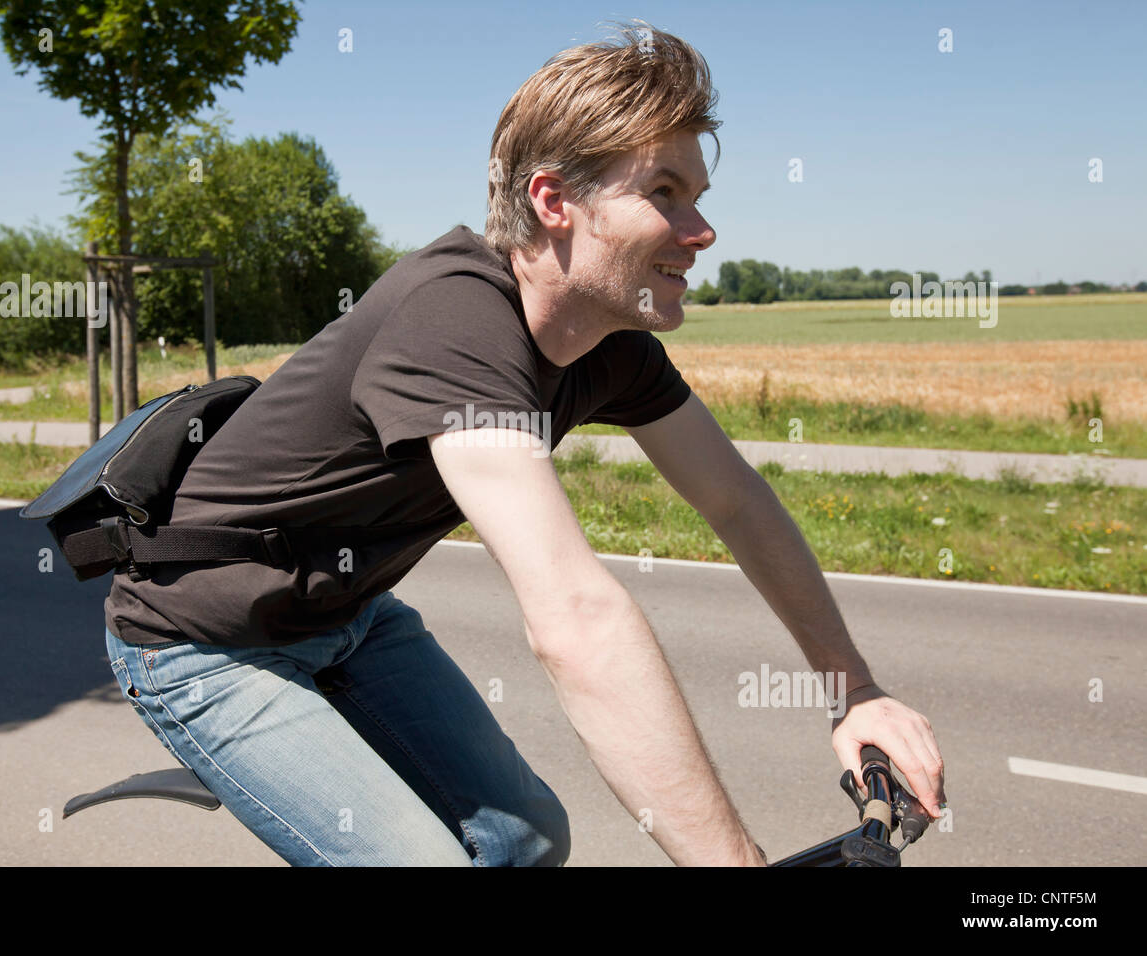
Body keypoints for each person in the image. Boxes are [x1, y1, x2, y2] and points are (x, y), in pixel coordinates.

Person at [103, 20, 946, 867]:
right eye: (664, 192)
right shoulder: (456, 321)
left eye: (700, 197)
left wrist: (856, 690)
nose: (702, 230)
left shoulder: (612, 350)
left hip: (350, 617)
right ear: (553, 202)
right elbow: (576, 621)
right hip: (201, 646)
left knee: (526, 841)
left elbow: (736, 500)